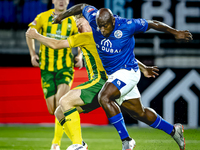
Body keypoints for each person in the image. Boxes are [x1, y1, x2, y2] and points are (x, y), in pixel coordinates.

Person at [52, 3, 193, 150]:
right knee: (139, 113)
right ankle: (173, 130)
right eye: (99, 26)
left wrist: (175, 32)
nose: (102, 30)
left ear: (113, 21)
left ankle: (126, 140)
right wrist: (61, 16)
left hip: (128, 72)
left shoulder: (128, 25)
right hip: (114, 76)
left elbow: (153, 23)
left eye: (105, 26)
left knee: (104, 97)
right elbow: (81, 6)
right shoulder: (94, 18)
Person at [26, 14, 159, 149]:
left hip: (102, 82)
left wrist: (36, 35)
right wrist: (143, 68)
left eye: (80, 24)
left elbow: (56, 44)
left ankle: (78, 145)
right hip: (109, 83)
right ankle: (83, 144)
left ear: (90, 21)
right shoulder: (102, 36)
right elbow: (122, 57)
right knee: (59, 112)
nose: (78, 28)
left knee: (65, 101)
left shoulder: (89, 36)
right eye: (77, 26)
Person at [25, 1, 83, 150]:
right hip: (46, 69)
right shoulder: (43, 17)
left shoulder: (71, 20)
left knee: (61, 103)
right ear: (53, 1)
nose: (62, 1)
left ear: (68, 1)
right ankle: (78, 143)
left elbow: (83, 38)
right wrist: (32, 54)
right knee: (53, 110)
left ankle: (56, 143)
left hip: (65, 68)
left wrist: (80, 56)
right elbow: (29, 33)